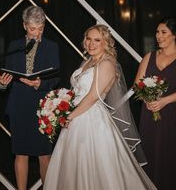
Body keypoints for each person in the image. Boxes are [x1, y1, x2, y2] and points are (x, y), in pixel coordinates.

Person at [44, 24, 156, 190]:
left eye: (97, 40)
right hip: (76, 118)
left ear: (106, 43)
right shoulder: (88, 61)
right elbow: (77, 92)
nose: (91, 43)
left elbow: (91, 98)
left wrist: (68, 116)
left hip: (92, 119)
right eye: (88, 39)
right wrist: (61, 106)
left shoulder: (107, 64)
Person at [0, 6, 59, 190]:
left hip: (42, 107)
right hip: (19, 106)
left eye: (40, 28)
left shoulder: (51, 46)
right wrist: (3, 83)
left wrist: (40, 84)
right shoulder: (14, 46)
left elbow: (55, 77)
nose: (36, 32)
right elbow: (7, 78)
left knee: (44, 155)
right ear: (24, 25)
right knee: (20, 154)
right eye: (32, 28)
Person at [134, 18, 176, 190]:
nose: (158, 36)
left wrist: (164, 100)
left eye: (163, 32)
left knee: (174, 155)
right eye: (157, 32)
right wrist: (147, 99)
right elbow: (137, 84)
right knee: (151, 153)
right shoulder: (149, 56)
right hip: (151, 115)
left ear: (175, 35)